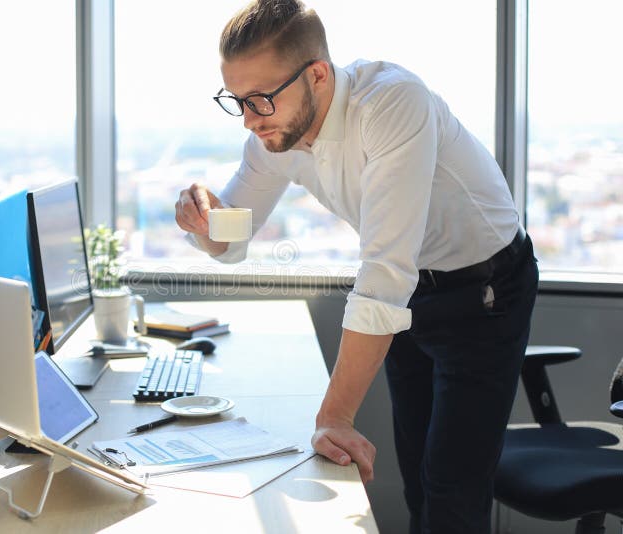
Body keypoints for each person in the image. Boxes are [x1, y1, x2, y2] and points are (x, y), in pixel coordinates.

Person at [174, 1, 538, 532]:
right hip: (412, 294)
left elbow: (384, 275)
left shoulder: (391, 103)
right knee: (417, 478)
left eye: (259, 100)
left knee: (453, 490)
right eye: (237, 102)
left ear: (317, 74)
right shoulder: (276, 131)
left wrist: (334, 417)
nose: (249, 120)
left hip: (484, 289)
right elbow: (233, 239)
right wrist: (204, 223)